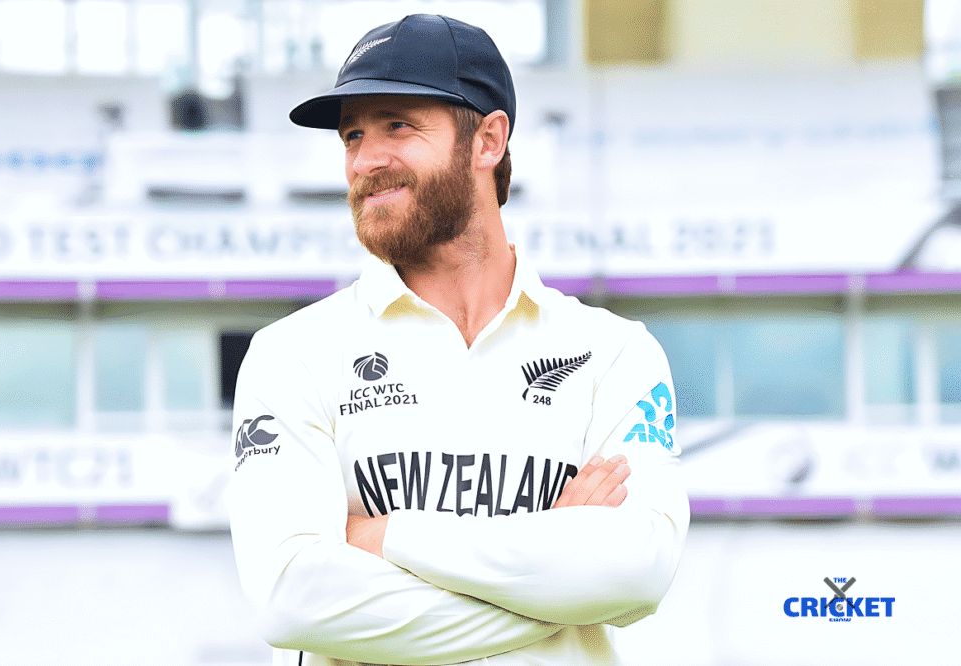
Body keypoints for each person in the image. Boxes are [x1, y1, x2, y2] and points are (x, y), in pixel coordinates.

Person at [228, 14, 689, 666]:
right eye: (352, 135)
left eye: (398, 125)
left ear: (488, 141)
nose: (365, 159)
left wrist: (385, 537)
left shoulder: (613, 352)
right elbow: (294, 599)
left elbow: (636, 573)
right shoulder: (292, 354)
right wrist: (553, 582)